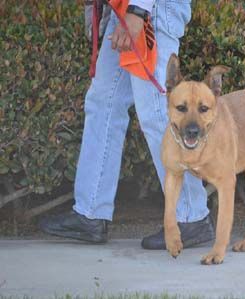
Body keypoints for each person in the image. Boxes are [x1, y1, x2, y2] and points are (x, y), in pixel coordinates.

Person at [40, 0, 214, 249]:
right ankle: (91, 213)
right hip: (126, 11)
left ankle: (191, 217)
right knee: (103, 103)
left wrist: (138, 10)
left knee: (156, 110)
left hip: (149, 11)